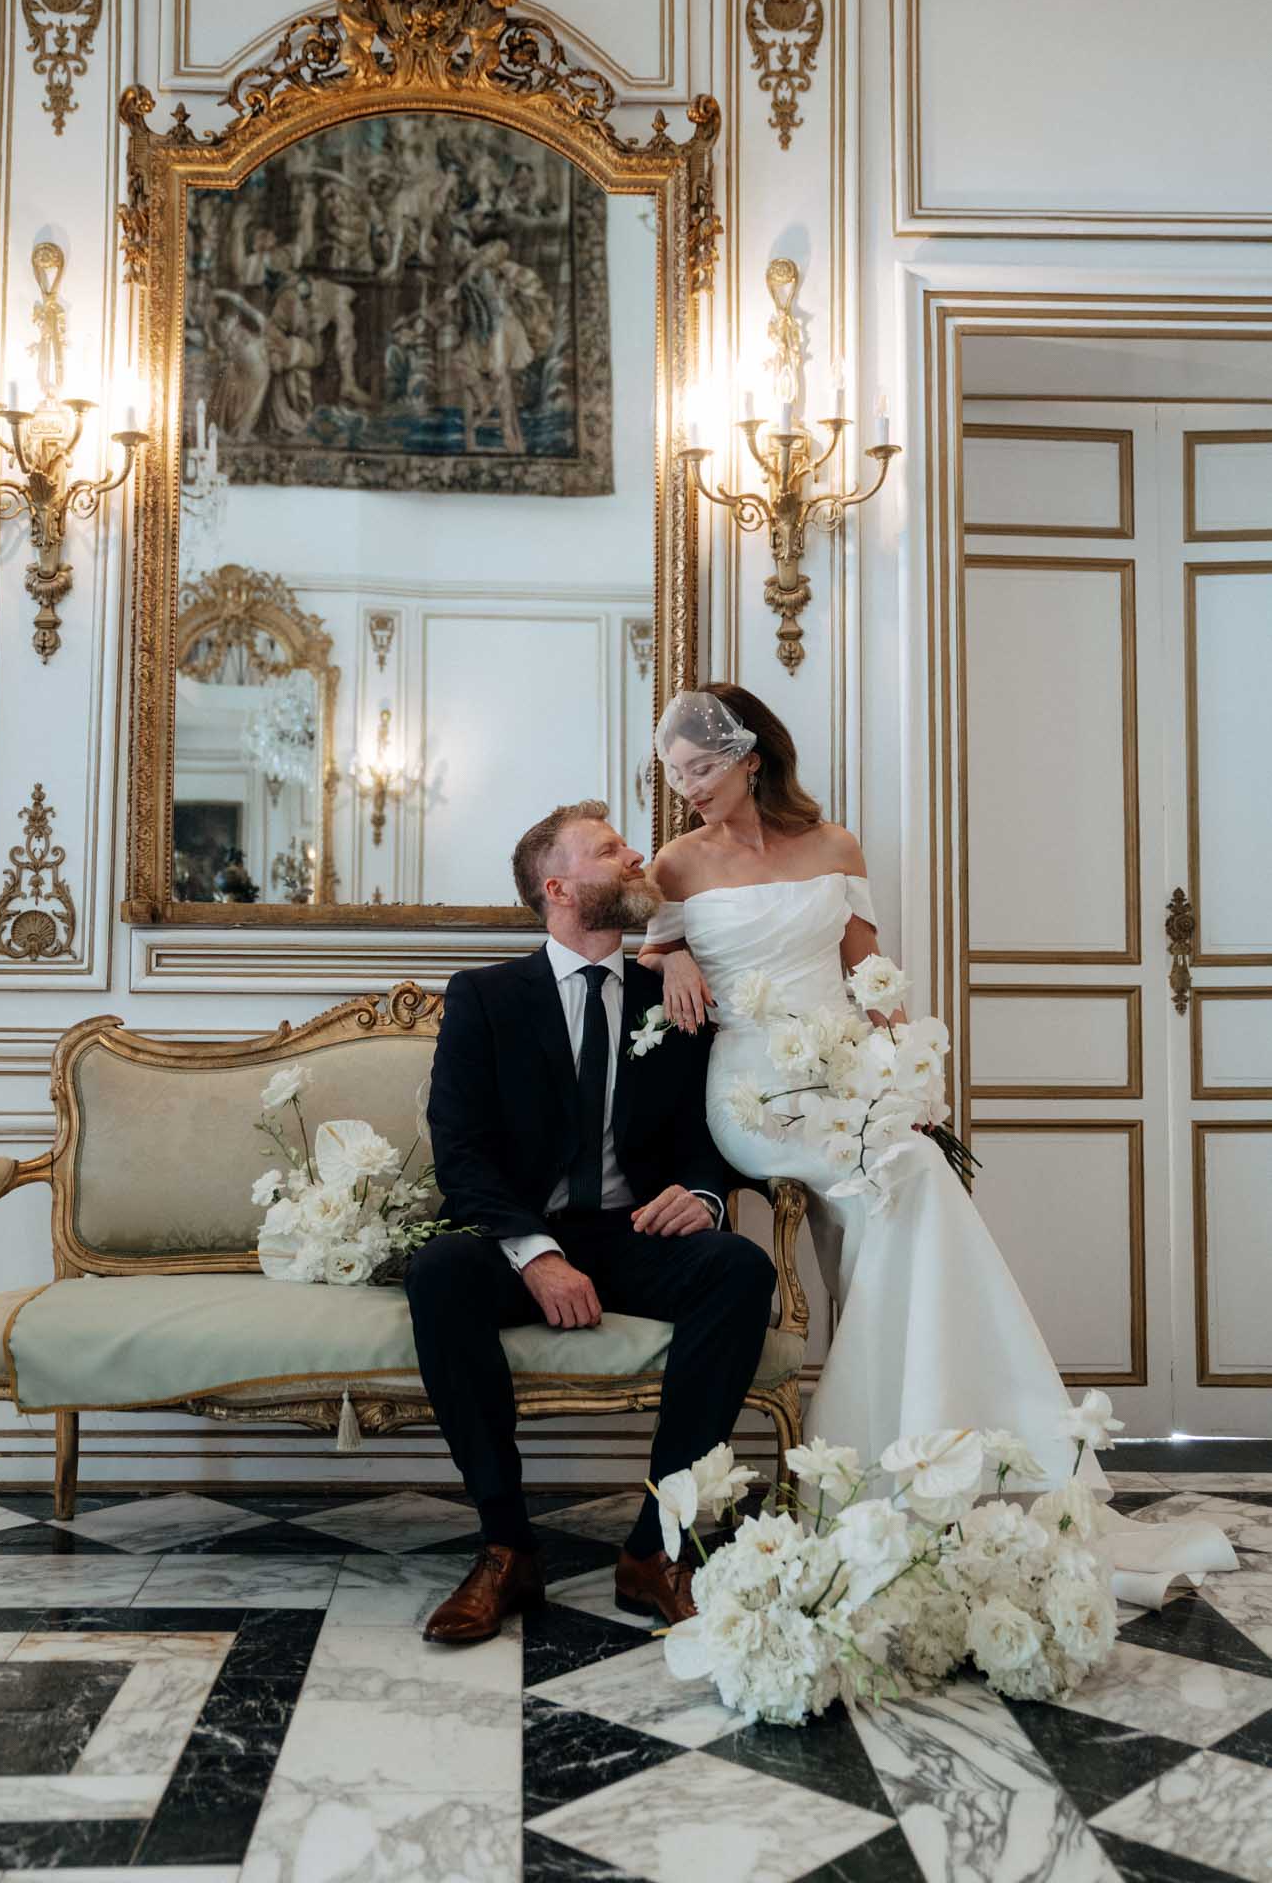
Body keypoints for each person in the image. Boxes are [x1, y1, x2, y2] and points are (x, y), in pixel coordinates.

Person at [639, 685, 1234, 1598]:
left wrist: (904, 1076)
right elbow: (638, 954)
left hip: (846, 1072)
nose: (687, 788)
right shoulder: (675, 864)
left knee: (913, 1174)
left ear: (752, 756)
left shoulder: (833, 846)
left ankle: (930, 1455)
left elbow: (869, 974)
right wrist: (671, 952)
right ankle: (903, 1455)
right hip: (753, 1093)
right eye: (675, 773)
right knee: (902, 1183)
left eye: (701, 768)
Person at [406, 799, 775, 1646]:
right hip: (520, 1235)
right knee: (439, 1276)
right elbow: (459, 1155)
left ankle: (656, 1548)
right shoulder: (485, 998)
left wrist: (704, 1195)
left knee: (739, 1269)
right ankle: (505, 1546)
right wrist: (535, 1256)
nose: (635, 854)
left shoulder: (668, 995)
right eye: (611, 851)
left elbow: (706, 1136)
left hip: (634, 1233)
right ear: (558, 887)